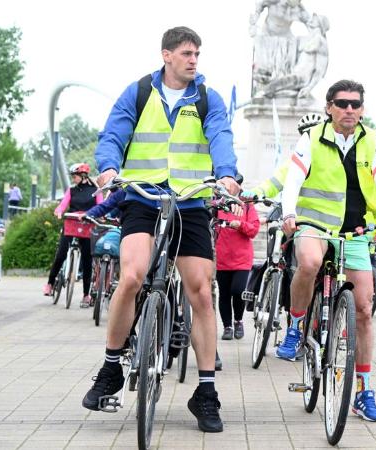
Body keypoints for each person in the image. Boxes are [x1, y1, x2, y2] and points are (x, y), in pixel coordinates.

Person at [86, 27, 240, 433]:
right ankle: (111, 367)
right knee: (132, 276)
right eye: (187, 53)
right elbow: (113, 134)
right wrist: (107, 168)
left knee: (202, 292)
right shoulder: (138, 92)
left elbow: (221, 138)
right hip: (143, 197)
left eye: (198, 54)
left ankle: (205, 392)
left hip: (190, 201)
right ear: (166, 55)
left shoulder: (208, 98)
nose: (194, 60)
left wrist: (226, 175)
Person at [275, 79, 376, 422]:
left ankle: (363, 391)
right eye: (342, 103)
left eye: (355, 104)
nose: (349, 110)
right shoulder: (312, 138)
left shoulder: (372, 140)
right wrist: (289, 213)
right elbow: (293, 181)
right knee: (311, 261)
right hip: (313, 225)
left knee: (362, 309)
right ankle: (296, 328)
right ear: (329, 107)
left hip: (356, 231)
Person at [43, 163, 103, 306]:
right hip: (71, 223)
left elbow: (100, 206)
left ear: (83, 176)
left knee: (87, 260)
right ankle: (50, 284)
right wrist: (58, 211)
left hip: (87, 224)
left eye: (74, 176)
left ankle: (86, 295)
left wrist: (100, 216)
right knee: (61, 254)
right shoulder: (71, 190)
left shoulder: (96, 191)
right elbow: (64, 204)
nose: (73, 179)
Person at [216, 200, 260, 340]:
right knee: (224, 294)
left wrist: (241, 225)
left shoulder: (247, 205)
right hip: (222, 257)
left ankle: (238, 321)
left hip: (242, 258)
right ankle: (227, 327)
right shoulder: (217, 204)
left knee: (238, 290)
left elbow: (254, 230)